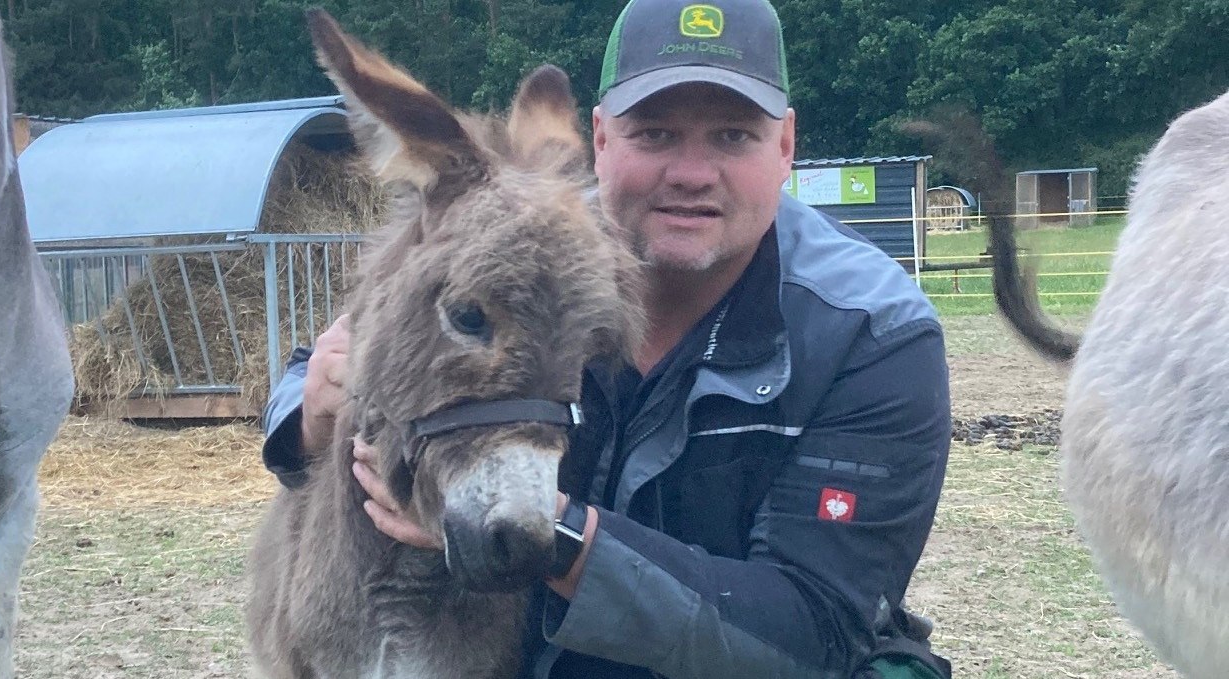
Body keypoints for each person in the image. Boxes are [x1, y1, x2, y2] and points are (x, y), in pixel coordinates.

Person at [259, 0, 953, 676]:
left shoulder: (876, 334)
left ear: (786, 145)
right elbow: (355, 344)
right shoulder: (528, 258)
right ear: (598, 139)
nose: (690, 173)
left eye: (732, 135)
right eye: (653, 133)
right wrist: (305, 410)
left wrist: (556, 540)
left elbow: (816, 628)